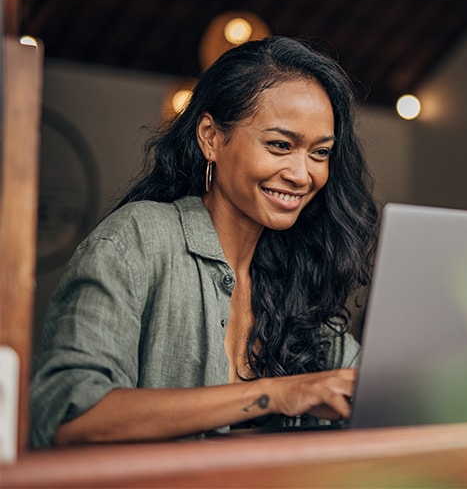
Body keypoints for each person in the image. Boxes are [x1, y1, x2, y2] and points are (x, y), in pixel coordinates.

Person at [30, 36, 378, 447]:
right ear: (211, 137)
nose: (303, 175)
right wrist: (275, 395)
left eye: (320, 153)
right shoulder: (138, 240)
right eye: (280, 145)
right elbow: (67, 416)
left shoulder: (299, 272)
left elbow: (366, 388)